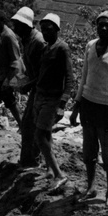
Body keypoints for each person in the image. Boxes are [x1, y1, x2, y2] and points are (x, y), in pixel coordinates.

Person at [70, 9, 108, 205]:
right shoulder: (89, 46)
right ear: (96, 27)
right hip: (88, 105)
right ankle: (91, 187)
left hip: (106, 109)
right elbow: (84, 77)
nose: (103, 28)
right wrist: (76, 106)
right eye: (100, 24)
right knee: (89, 152)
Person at [32, 12, 73, 193]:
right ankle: (50, 170)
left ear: (57, 29)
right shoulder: (45, 48)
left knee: (39, 136)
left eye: (49, 29)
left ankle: (59, 175)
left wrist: (62, 104)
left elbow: (69, 77)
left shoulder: (62, 48)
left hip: (52, 98)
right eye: (43, 30)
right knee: (46, 134)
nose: (46, 33)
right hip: (40, 95)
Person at [10, 6, 45, 169]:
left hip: (42, 88)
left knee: (31, 124)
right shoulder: (26, 39)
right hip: (35, 86)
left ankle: (32, 160)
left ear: (25, 25)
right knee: (28, 124)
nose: (14, 27)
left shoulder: (38, 42)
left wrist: (27, 85)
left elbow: (44, 72)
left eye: (16, 24)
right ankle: (27, 160)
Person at [0, 11, 24, 132]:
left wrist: (8, 80)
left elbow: (15, 61)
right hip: (1, 75)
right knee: (9, 100)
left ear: (3, 22)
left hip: (9, 75)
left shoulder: (8, 36)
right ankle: (22, 125)